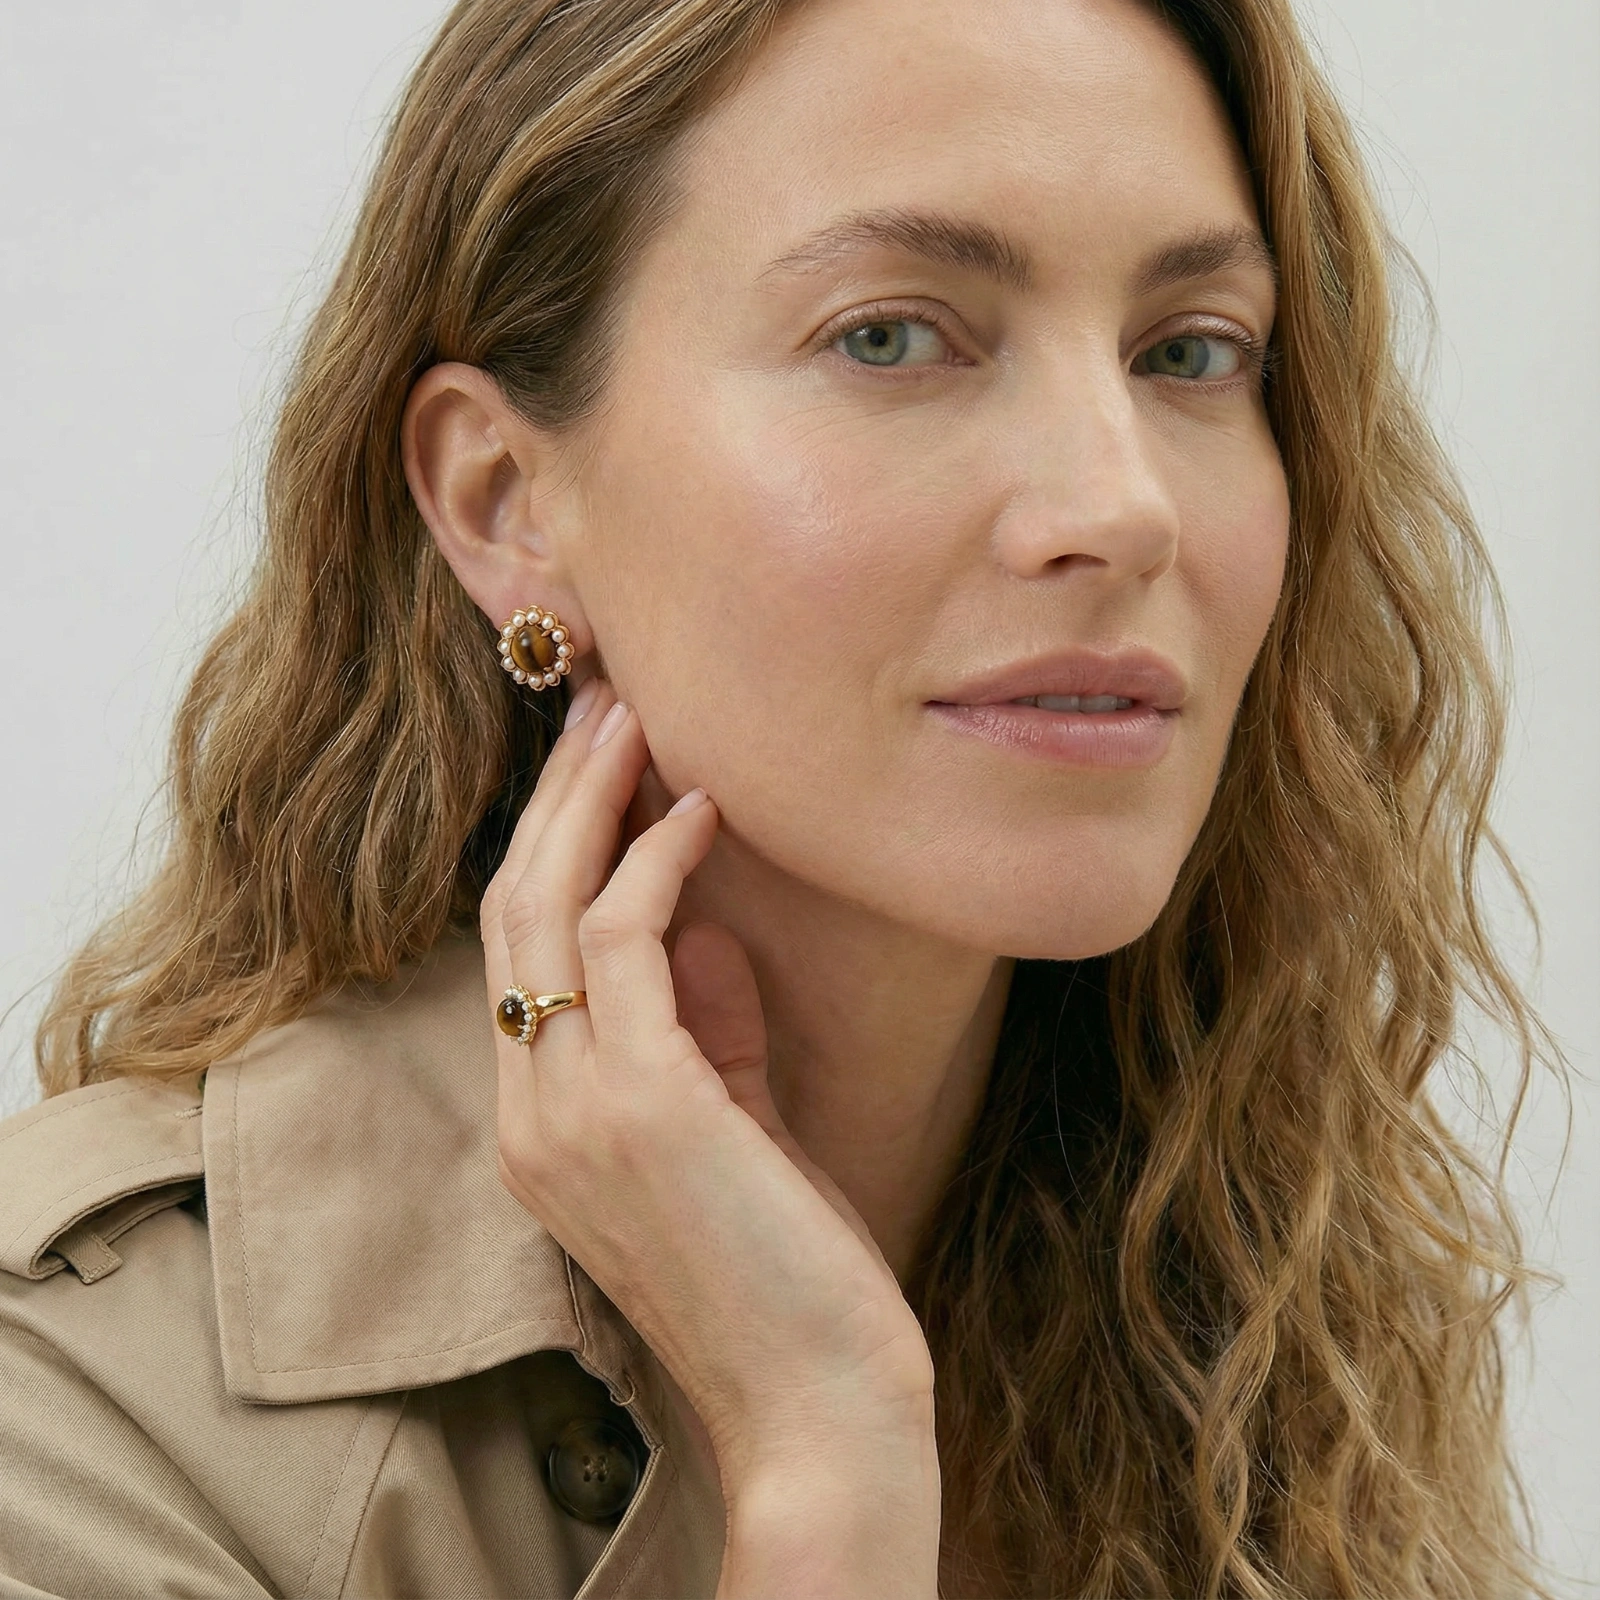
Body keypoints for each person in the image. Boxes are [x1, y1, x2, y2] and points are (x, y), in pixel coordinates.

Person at [0, 0, 1562, 1594]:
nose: (1121, 504)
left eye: (1191, 351)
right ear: (506, 499)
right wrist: (824, 1451)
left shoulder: (1268, 1328)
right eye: (891, 337)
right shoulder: (74, 1412)